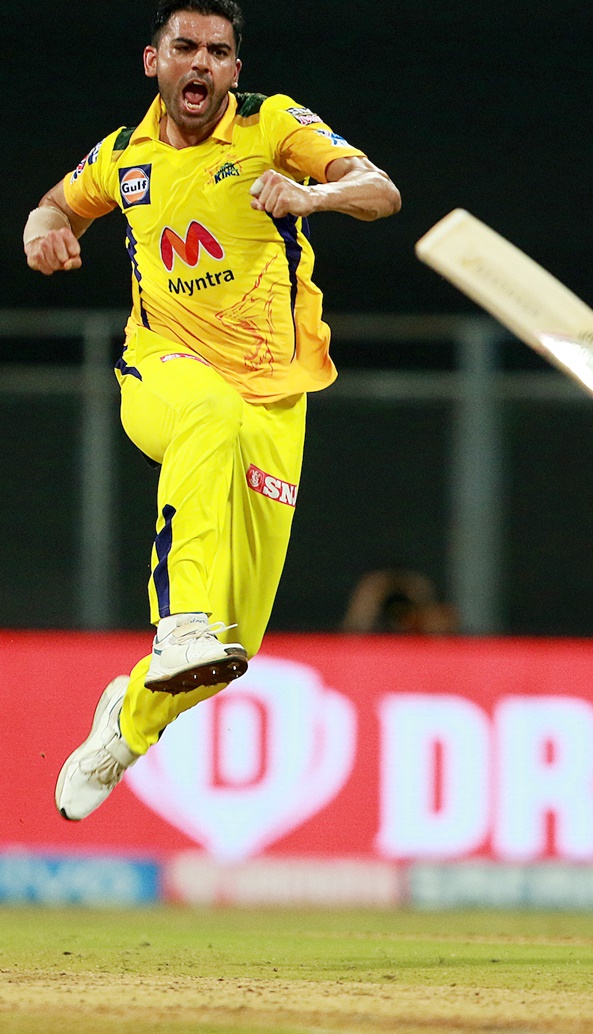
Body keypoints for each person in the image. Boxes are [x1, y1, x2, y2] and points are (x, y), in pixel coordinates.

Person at [24, 0, 401, 822]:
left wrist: (313, 198)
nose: (201, 63)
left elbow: (381, 190)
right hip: (159, 369)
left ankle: (124, 727)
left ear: (236, 69)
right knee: (209, 414)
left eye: (218, 52)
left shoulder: (273, 126)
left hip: (276, 396)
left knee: (237, 649)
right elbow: (58, 202)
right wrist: (39, 226)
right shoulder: (122, 156)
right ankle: (176, 621)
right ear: (152, 61)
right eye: (185, 47)